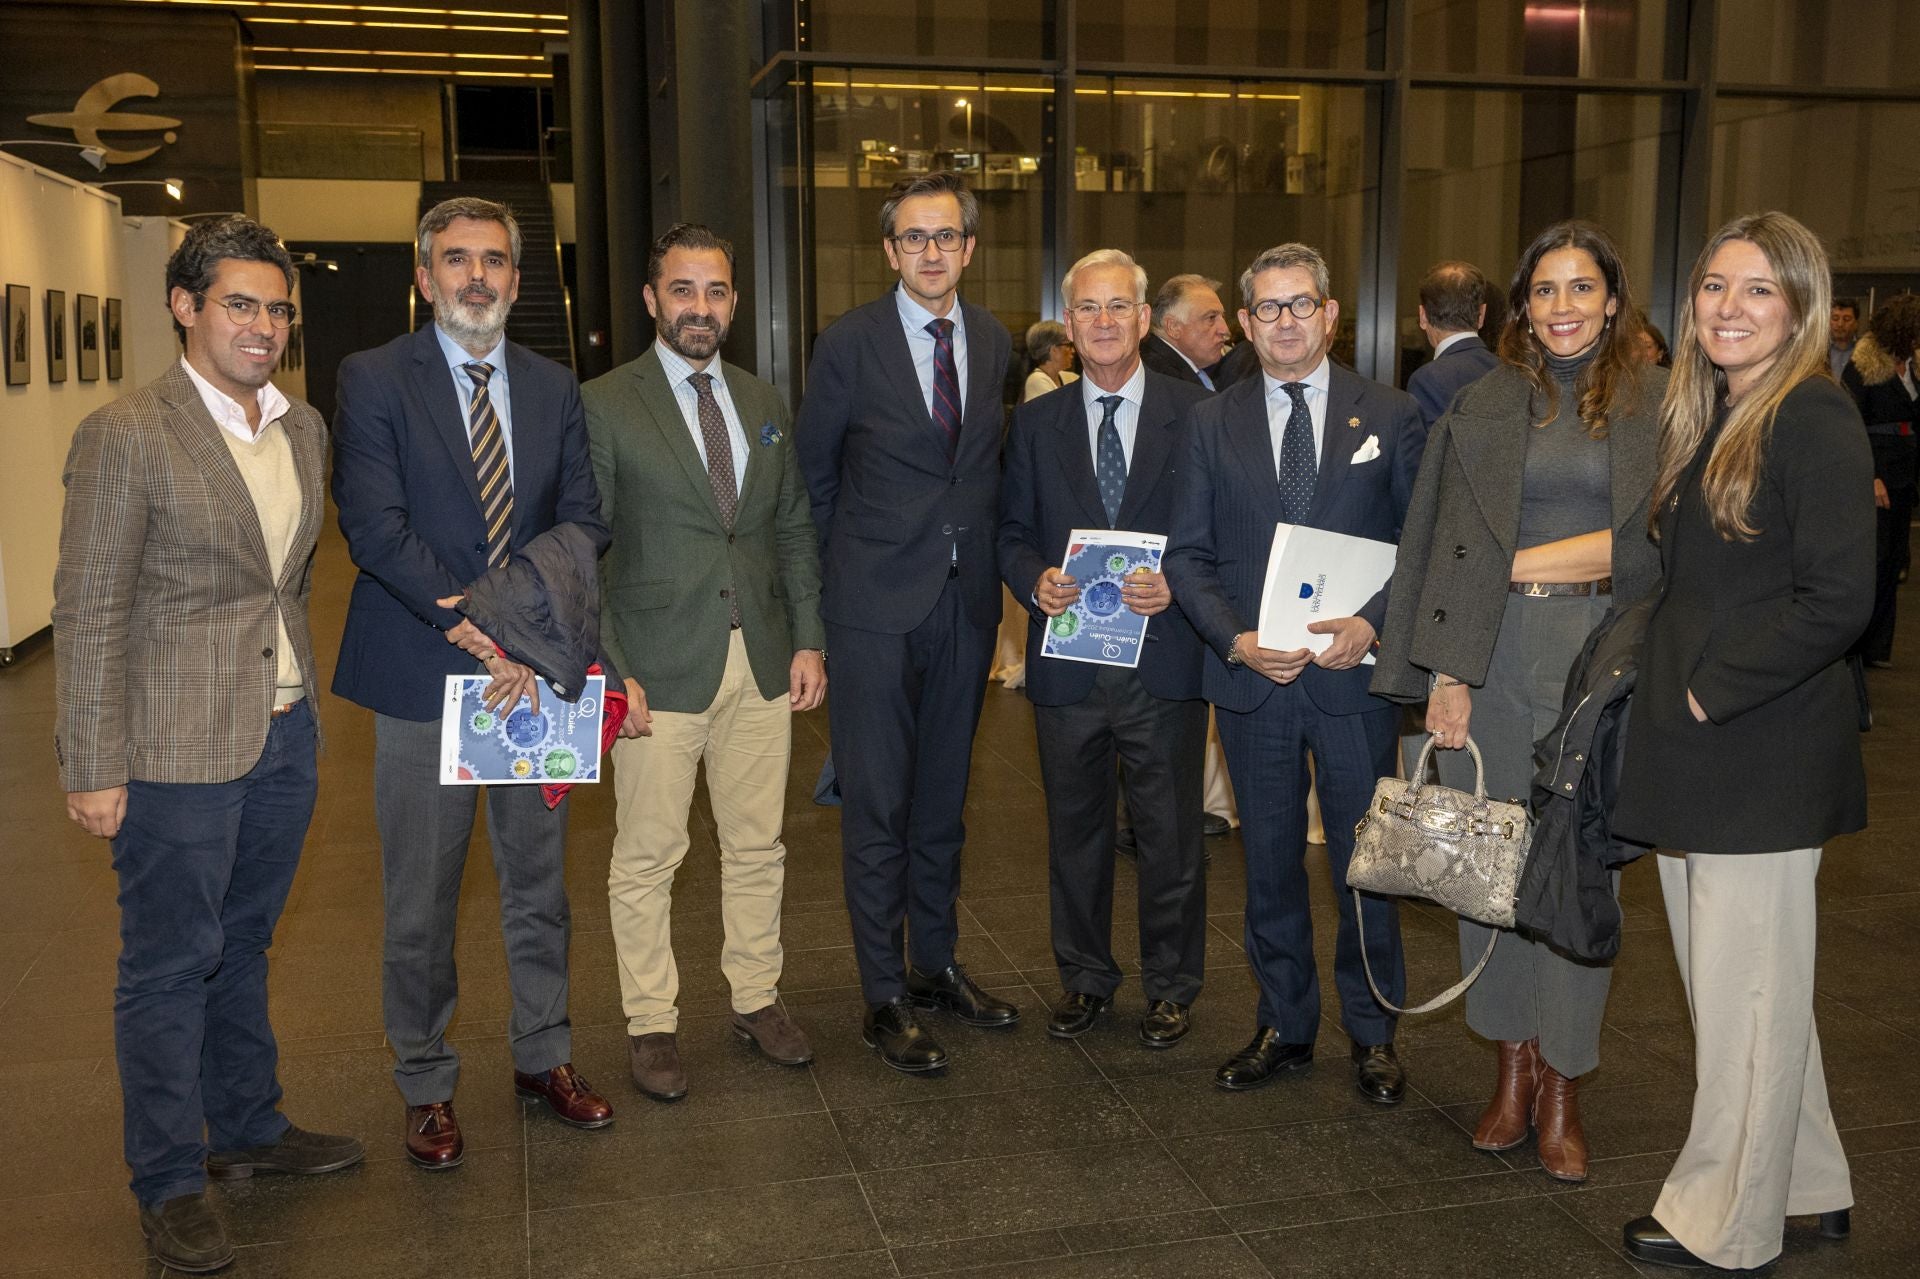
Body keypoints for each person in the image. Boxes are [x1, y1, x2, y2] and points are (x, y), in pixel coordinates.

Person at [53, 216, 363, 1273]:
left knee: (245, 942)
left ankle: (247, 1123)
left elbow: (282, 581)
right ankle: (170, 1180)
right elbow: (89, 609)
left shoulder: (302, 428)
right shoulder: (127, 432)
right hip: (174, 752)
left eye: (279, 308)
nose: (264, 325)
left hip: (283, 735)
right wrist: (91, 764)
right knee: (168, 965)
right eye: (241, 303)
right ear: (185, 307)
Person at [1372, 220, 1665, 1183]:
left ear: (1613, 300)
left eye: (1583, 288)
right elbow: (1446, 544)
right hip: (1489, 662)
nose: (1564, 307)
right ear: (1520, 306)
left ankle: (1566, 1084)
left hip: (1600, 659)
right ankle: (1511, 1069)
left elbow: (1662, 553)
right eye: (1545, 290)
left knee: (1579, 876)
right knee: (1485, 869)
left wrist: (1518, 565)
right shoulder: (1484, 407)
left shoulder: (1660, 408)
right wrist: (1445, 678)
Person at [332, 196, 614, 1169]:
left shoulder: (551, 386)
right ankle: (425, 1080)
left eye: (494, 260)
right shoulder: (373, 378)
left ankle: (544, 1056)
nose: (477, 277)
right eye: (456, 260)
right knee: (423, 896)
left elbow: (580, 520)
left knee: (539, 886)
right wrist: (486, 632)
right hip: (426, 675)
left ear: (517, 279)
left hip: (532, 679)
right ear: (424, 277)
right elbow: (375, 527)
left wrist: (524, 642)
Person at [1614, 211, 1869, 1273]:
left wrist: (1710, 695)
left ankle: (1729, 1217)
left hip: (1755, 750)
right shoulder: (1715, 412)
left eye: (1758, 290)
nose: (1729, 307)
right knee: (1751, 988)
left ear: (1800, 306)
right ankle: (1807, 1180)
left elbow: (1838, 599)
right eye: (1716, 287)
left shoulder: (1811, 415)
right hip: (1699, 745)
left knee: (1743, 999)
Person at [1164, 242, 1426, 1101]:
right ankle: (1285, 1020)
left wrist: (1374, 624)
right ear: (1244, 322)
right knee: (1269, 861)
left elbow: (1418, 548)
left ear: (1330, 313)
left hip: (1354, 682)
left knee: (1366, 862)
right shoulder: (1210, 422)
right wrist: (1234, 641)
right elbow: (1189, 557)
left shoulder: (1390, 413)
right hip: (1252, 681)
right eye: (1268, 308)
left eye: (1301, 304)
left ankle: (1375, 1029)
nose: (1285, 321)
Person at [583, 223, 825, 1101]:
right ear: (652, 300)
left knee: (758, 843)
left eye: (715, 291)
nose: (700, 307)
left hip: (759, 659)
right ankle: (651, 1020)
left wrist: (807, 637)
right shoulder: (606, 403)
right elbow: (588, 549)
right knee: (649, 852)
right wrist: (610, 667)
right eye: (682, 290)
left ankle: (756, 997)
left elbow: (791, 526)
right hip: (656, 666)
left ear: (733, 301)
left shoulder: (762, 403)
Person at [794, 171, 1017, 1072]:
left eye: (947, 235)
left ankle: (934, 965)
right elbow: (814, 481)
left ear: (968, 246)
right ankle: (883, 995)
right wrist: (814, 619)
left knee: (942, 808)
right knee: (877, 809)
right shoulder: (847, 343)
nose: (932, 251)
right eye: (914, 237)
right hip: (872, 613)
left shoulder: (994, 340)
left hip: (966, 608)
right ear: (890, 251)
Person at [998, 248, 1212, 1046]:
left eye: (1118, 307)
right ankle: (1085, 978)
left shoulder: (1195, 413)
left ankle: (1172, 984)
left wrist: (1181, 589)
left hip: (1164, 658)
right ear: (1069, 323)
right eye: (1088, 309)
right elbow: (1011, 533)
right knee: (1076, 835)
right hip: (1070, 662)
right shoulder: (1036, 422)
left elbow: (1217, 535)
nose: (1103, 323)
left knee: (1171, 836)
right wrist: (1034, 582)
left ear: (1145, 318)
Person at [1840, 293, 1920, 669]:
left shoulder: (1914, 364)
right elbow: (1850, 424)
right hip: (1875, 468)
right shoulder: (1862, 364)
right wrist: (1869, 476)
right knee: (1872, 560)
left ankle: (1877, 648)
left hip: (1906, 470)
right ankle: (1853, 644)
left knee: (1893, 561)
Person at [1406, 260, 1499, 428]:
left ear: (1423, 316)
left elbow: (1429, 452)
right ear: (1482, 314)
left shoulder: (1426, 380)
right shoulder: (1510, 371)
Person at [1142, 273, 1231, 389]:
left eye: (1222, 317)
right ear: (1173, 327)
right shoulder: (1161, 378)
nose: (1225, 330)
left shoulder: (1180, 369)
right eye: (1211, 318)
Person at [1022, 319, 1077, 401]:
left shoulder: (1069, 377)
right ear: (1053, 349)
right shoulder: (1037, 380)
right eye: (1068, 345)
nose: (1073, 351)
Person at [1828, 296, 1859, 381]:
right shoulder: (1818, 352)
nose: (1840, 324)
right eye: (1835, 318)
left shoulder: (1866, 353)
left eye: (1847, 319)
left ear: (1856, 323)